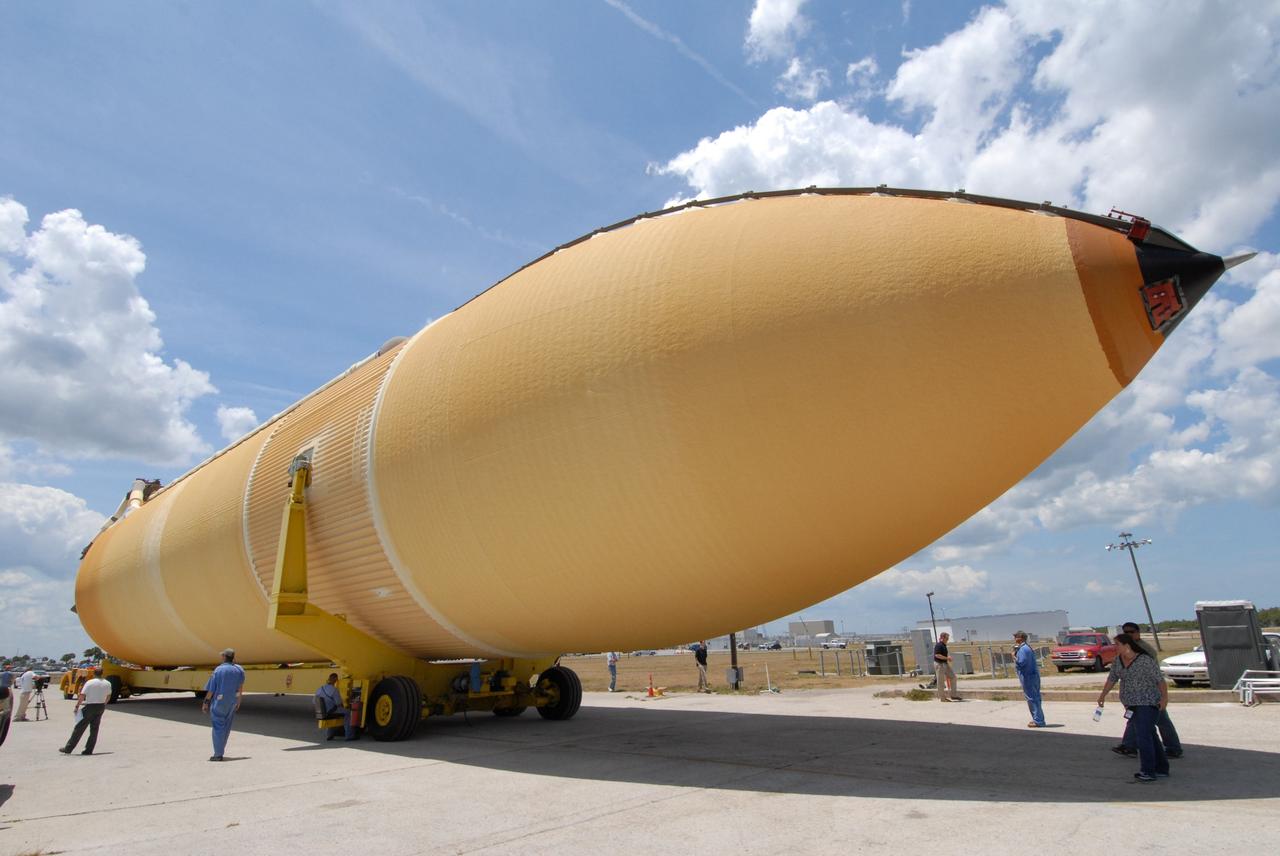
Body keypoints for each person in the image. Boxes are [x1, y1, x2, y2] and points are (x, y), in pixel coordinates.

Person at [1097, 633, 1169, 782]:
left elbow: (1160, 680)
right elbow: (1112, 679)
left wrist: (1164, 698)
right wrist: (1103, 695)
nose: (1114, 647)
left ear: (1126, 645)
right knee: (1150, 735)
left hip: (1148, 702)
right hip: (1131, 704)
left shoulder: (1144, 660)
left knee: (1143, 736)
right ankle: (1162, 767)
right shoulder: (1118, 661)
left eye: (1117, 644)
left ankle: (1147, 771)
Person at [1104, 621, 1183, 758]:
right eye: (1125, 632)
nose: (1128, 634)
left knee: (1160, 721)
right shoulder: (1121, 654)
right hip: (1131, 697)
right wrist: (1103, 695)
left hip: (1150, 695)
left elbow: (1157, 677)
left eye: (1131, 632)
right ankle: (1130, 746)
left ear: (1138, 633)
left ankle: (1172, 748)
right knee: (1134, 719)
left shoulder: (1145, 651)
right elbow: (1114, 676)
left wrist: (1163, 697)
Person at [203, 648, 245, 761]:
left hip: (219, 702)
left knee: (218, 727)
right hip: (232, 701)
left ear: (224, 657)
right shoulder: (239, 669)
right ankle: (220, 750)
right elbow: (240, 686)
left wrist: (206, 702)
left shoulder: (218, 670)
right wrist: (239, 700)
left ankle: (218, 754)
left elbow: (211, 689)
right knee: (226, 726)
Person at [60, 666, 111, 755]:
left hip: (90, 706)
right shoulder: (107, 683)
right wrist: (104, 704)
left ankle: (68, 748)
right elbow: (108, 696)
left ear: (94, 673)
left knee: (79, 728)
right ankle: (88, 750)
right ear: (102, 673)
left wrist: (77, 706)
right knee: (94, 730)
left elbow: (82, 695)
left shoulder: (89, 682)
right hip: (100, 706)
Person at [1013, 631, 1046, 727]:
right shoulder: (1027, 648)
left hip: (1028, 677)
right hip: (1033, 676)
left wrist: (1014, 657)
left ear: (1021, 638)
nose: (1014, 639)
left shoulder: (1023, 649)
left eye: (1016, 637)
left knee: (1032, 699)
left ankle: (1038, 721)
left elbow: (1021, 662)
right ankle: (1038, 718)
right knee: (1035, 698)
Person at [314, 673, 357, 741]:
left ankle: (329, 735)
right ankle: (349, 736)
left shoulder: (320, 688)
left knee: (333, 713)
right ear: (335, 680)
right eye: (336, 679)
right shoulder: (334, 690)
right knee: (348, 713)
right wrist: (346, 707)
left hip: (322, 712)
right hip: (331, 711)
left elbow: (314, 701)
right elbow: (339, 703)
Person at [934, 632, 959, 701]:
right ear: (942, 638)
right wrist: (947, 658)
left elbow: (943, 655)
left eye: (948, 638)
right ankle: (942, 698)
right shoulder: (939, 645)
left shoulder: (944, 645)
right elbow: (937, 655)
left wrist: (947, 657)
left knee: (953, 677)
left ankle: (953, 695)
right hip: (939, 664)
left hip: (945, 664)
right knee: (941, 681)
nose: (947, 639)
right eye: (946, 638)